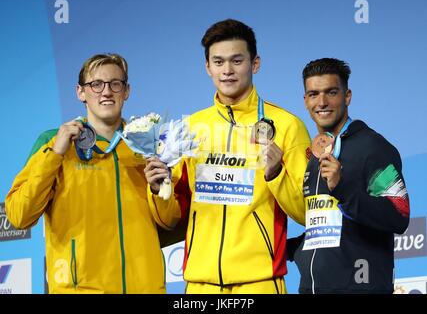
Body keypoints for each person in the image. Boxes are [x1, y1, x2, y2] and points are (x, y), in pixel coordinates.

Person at [144, 19, 311, 294]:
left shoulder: (287, 126)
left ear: (254, 64)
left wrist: (276, 175)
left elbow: (307, 213)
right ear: (207, 67)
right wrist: (157, 188)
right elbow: (170, 218)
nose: (228, 71)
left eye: (237, 61)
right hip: (200, 286)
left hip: (260, 284)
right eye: (219, 62)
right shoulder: (188, 129)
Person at [5, 53, 177, 293]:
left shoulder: (148, 145)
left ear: (126, 91)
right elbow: (19, 215)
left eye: (115, 84)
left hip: (145, 287)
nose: (106, 92)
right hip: (81, 288)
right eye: (96, 84)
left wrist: (160, 190)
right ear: (80, 92)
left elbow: (170, 222)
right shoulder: (53, 143)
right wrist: (55, 155)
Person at [287, 58, 410, 294]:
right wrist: (287, 249)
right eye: (313, 94)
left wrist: (342, 188)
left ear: (347, 96)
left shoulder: (373, 147)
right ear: (305, 101)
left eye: (331, 92)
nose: (322, 102)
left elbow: (399, 215)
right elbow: (327, 230)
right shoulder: (316, 155)